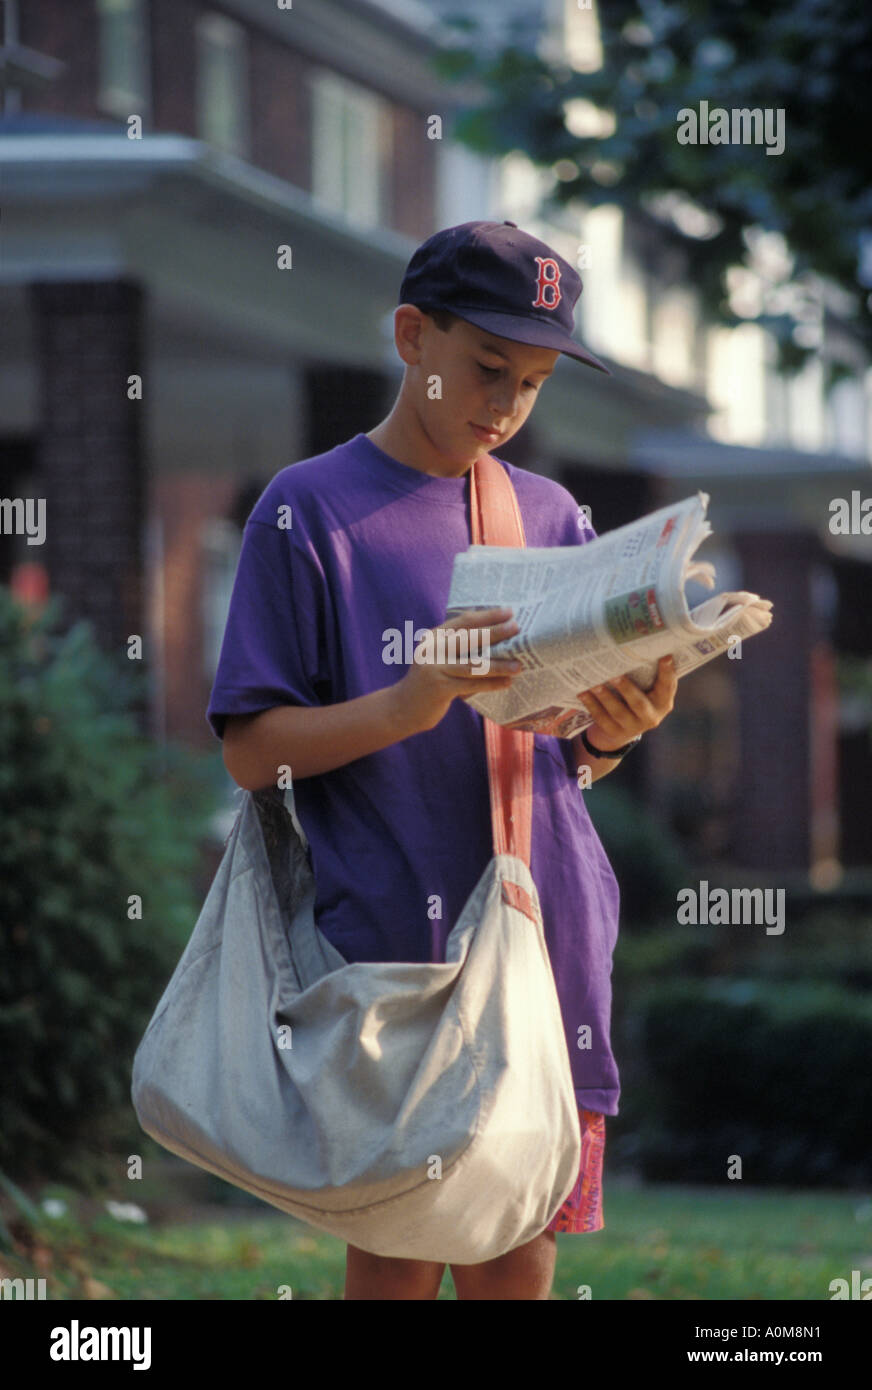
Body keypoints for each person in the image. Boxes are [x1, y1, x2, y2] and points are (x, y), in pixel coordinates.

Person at [206, 220, 678, 1300]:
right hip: (397, 954)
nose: (508, 404)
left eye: (535, 381)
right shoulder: (309, 509)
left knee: (522, 1253)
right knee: (397, 1255)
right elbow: (251, 751)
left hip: (544, 925)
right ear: (411, 335)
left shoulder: (547, 513)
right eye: (486, 368)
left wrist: (613, 725)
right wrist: (409, 702)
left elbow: (558, 749)